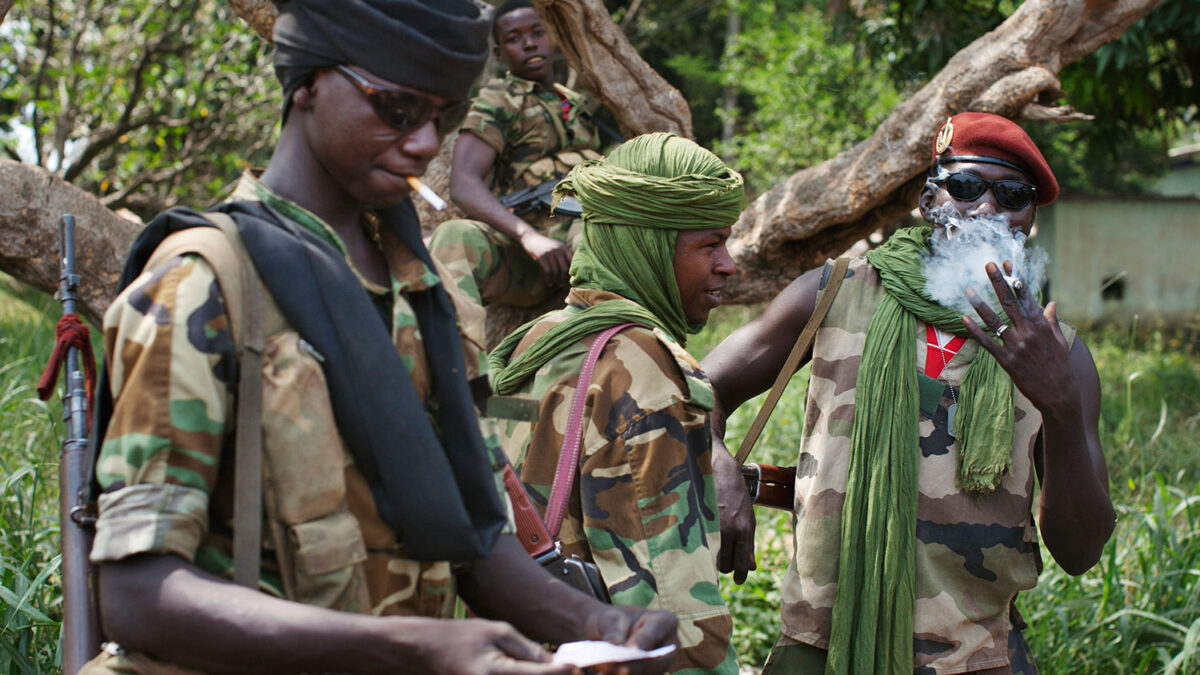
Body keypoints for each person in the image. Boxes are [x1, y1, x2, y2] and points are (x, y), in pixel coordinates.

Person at [80, 2, 676, 673]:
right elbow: (136, 595)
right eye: (396, 108)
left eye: (445, 116)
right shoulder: (207, 284)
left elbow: (471, 535)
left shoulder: (419, 290)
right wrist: (413, 648)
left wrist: (597, 621)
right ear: (308, 82)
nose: (425, 143)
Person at [702, 112, 1116, 675]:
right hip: (822, 643)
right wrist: (718, 460)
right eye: (966, 187)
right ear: (929, 198)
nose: (987, 208)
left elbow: (1080, 551)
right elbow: (695, 391)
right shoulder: (834, 294)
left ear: (1029, 217)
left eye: (1012, 194)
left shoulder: (1056, 350)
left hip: (975, 654)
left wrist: (1060, 405)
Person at [489, 132, 744, 674]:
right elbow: (672, 611)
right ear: (646, 244)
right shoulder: (644, 373)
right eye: (710, 244)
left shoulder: (536, 340)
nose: (729, 264)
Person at [428, 0, 603, 340]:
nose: (529, 43)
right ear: (497, 53)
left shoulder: (574, 104)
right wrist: (527, 236)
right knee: (454, 237)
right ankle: (455, 373)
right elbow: (464, 183)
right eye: (514, 37)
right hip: (531, 258)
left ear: (552, 38)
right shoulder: (498, 101)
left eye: (538, 33)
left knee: (597, 232)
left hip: (591, 238)